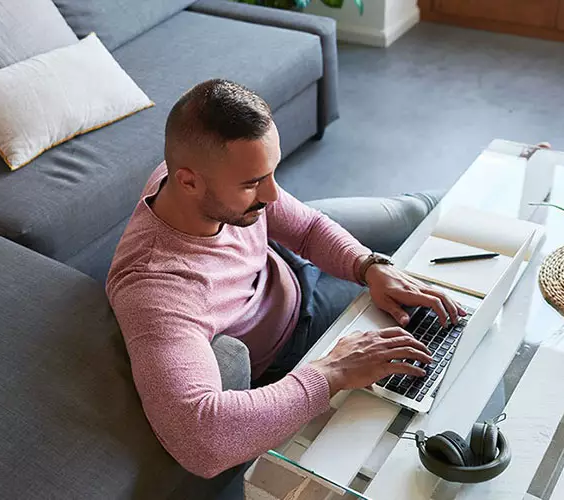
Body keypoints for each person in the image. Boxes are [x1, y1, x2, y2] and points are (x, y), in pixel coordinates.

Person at [105, 79, 465, 479]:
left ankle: (520, 174)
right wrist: (333, 372)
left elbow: (307, 228)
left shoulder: (193, 183)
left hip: (285, 264)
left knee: (417, 211)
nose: (273, 195)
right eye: (252, 183)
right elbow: (201, 439)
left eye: (271, 172)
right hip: (294, 331)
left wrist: (369, 265)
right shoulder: (157, 290)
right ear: (188, 181)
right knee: (432, 325)